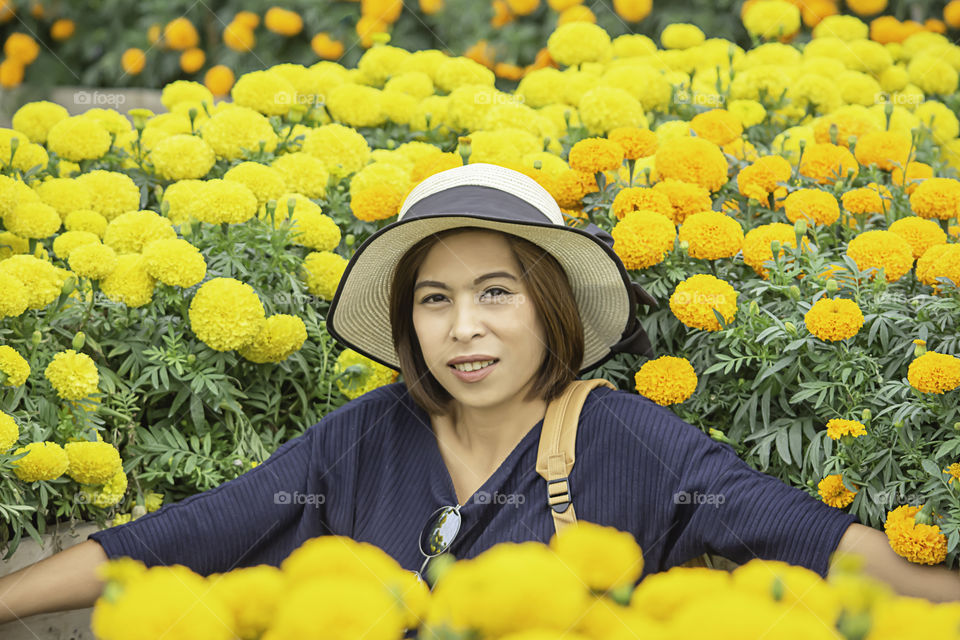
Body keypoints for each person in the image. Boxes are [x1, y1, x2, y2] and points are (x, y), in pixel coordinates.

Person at [2, 163, 959, 628]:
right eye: (435, 299)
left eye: (496, 293)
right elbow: (189, 535)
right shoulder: (363, 439)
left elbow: (818, 544)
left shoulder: (629, 438)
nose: (465, 327)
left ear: (547, 308)